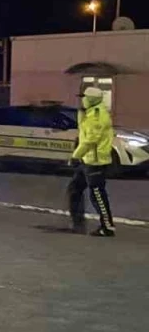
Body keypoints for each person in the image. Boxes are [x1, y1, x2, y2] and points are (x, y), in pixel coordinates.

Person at [68, 85, 116, 237]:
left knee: (97, 194)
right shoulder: (88, 113)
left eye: (84, 98)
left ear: (91, 99)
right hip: (87, 159)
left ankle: (107, 227)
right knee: (74, 189)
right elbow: (82, 133)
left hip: (95, 161)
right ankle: (77, 223)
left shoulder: (97, 116)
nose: (81, 100)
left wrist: (76, 155)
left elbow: (90, 140)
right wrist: (81, 112)